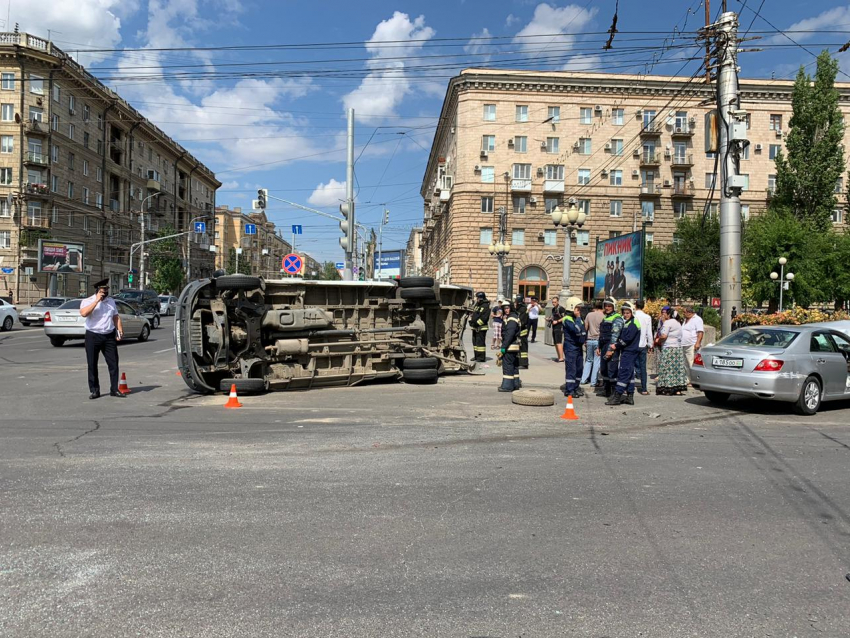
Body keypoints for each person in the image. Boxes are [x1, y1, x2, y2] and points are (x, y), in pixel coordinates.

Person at [79, 278, 125, 399]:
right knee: (92, 364)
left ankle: (114, 389)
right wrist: (97, 301)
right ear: (97, 290)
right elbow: (84, 313)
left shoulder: (111, 302)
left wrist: (119, 330)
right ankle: (94, 390)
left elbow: (116, 317)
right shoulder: (88, 301)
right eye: (102, 290)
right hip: (93, 335)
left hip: (109, 335)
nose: (104, 292)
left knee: (113, 363)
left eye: (106, 290)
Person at [605, 301, 641, 406]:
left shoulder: (633, 323)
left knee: (624, 373)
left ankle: (617, 396)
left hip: (629, 352)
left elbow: (627, 339)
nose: (625, 315)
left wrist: (615, 345)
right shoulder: (629, 322)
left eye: (627, 313)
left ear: (632, 312)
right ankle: (630, 397)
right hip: (629, 351)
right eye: (624, 313)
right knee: (629, 375)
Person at [655, 306, 688, 396]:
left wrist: (658, 340)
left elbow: (664, 336)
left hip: (669, 348)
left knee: (667, 368)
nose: (663, 314)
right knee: (677, 369)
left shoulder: (667, 323)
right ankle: (677, 389)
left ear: (668, 314)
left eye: (664, 313)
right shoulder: (678, 323)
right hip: (677, 348)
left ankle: (667, 388)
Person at [596, 297, 624, 398]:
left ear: (613, 306)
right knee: (604, 370)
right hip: (603, 346)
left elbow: (615, 336)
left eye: (609, 306)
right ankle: (606, 390)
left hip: (611, 347)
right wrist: (599, 347)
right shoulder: (605, 318)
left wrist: (610, 350)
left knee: (612, 370)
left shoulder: (617, 318)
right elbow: (601, 334)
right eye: (606, 306)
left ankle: (614, 392)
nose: (607, 308)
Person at [562, 298, 587, 398]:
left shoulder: (577, 318)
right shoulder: (567, 319)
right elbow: (576, 330)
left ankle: (576, 387)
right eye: (578, 308)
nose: (579, 310)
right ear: (572, 307)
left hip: (578, 346)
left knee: (579, 368)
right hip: (570, 347)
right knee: (571, 369)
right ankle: (570, 390)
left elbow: (583, 331)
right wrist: (578, 318)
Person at [499, 300, 521, 392]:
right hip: (515, 346)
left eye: (507, 308)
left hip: (510, 346)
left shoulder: (511, 319)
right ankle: (515, 383)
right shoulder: (513, 317)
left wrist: (503, 347)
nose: (506, 310)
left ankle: (507, 386)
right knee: (514, 365)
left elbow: (509, 334)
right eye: (504, 309)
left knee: (508, 365)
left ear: (511, 308)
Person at [581, 300, 604, 386]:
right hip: (598, 340)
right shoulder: (603, 316)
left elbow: (585, 327)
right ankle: (593, 381)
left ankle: (583, 379)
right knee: (596, 361)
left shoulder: (589, 315)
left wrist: (584, 339)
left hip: (589, 340)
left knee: (588, 360)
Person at [633, 300, 654, 395]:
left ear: (635, 306)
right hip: (643, 344)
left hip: (632, 344)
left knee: (630, 365)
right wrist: (651, 344)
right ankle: (644, 388)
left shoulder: (633, 315)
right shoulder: (647, 317)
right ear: (644, 306)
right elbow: (649, 332)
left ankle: (628, 385)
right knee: (643, 367)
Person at [681, 306, 705, 373]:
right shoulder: (686, 319)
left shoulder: (697, 319)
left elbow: (700, 332)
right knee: (685, 363)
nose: (683, 314)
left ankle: (693, 380)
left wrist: (698, 343)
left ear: (689, 312)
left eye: (684, 312)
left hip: (692, 344)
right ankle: (687, 380)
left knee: (691, 362)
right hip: (684, 344)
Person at [470, 291, 489, 362]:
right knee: (475, 343)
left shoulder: (485, 306)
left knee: (480, 344)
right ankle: (476, 356)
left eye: (477, 298)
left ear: (481, 298)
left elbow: (484, 318)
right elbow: (475, 314)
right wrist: (472, 321)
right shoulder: (477, 305)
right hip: (475, 327)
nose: (476, 299)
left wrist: (476, 323)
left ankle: (481, 358)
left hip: (481, 328)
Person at [548, 296, 567, 362]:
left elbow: (565, 317)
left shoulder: (561, 309)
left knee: (559, 342)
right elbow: (554, 317)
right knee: (556, 343)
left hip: (559, 327)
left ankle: (561, 358)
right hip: (554, 327)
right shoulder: (553, 309)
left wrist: (557, 321)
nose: (553, 303)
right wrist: (550, 319)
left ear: (558, 302)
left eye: (555, 302)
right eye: (553, 302)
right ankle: (559, 357)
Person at [514, 294, 530, 369]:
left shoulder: (523, 309)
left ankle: (524, 363)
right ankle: (519, 361)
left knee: (523, 347)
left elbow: (522, 320)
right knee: (519, 347)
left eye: (516, 301)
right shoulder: (518, 308)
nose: (515, 302)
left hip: (522, 331)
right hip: (519, 331)